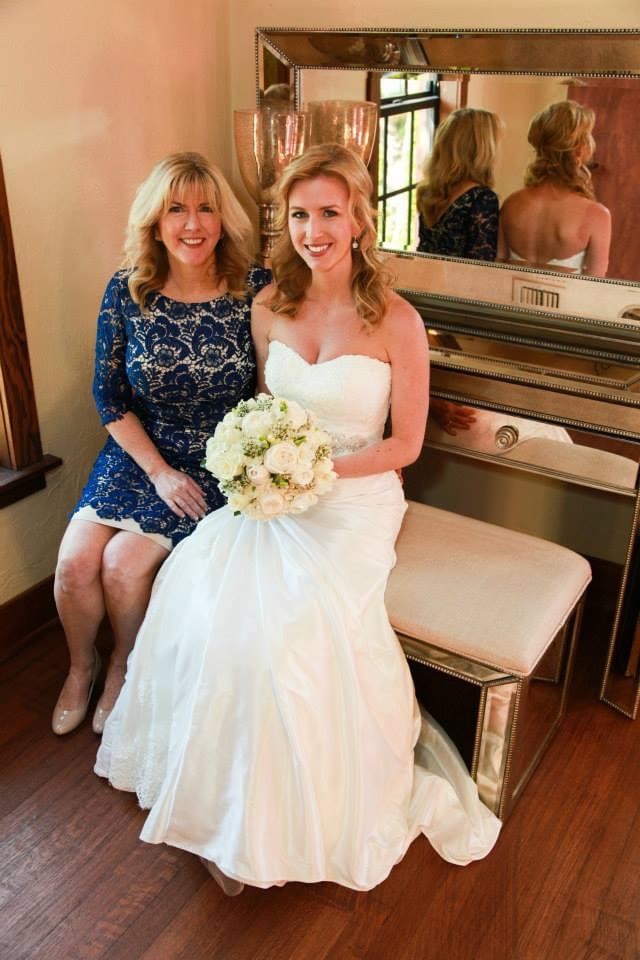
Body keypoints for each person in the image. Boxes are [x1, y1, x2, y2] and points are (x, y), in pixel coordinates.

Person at [95, 144, 501, 894]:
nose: (314, 231)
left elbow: (405, 444)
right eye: (300, 215)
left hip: (353, 501)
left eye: (330, 214)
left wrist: (312, 471)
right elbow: (260, 409)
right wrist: (260, 468)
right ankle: (218, 805)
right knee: (199, 595)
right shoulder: (266, 306)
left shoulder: (398, 321)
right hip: (271, 495)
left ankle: (276, 822)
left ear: (359, 221)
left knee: (288, 634)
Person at [52, 152, 270, 737]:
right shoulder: (127, 289)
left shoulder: (254, 289)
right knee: (75, 566)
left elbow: (274, 384)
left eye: (206, 209)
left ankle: (126, 662)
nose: (192, 224)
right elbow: (108, 395)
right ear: (155, 220)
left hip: (214, 457)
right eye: (177, 209)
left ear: (224, 219)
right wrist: (155, 471)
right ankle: (80, 667)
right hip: (139, 452)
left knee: (123, 568)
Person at [498, 100, 611, 276]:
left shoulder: (510, 204)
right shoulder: (597, 216)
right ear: (580, 149)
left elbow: (497, 269)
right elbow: (595, 291)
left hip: (508, 302)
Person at [416, 108, 500, 261]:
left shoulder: (429, 191)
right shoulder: (482, 199)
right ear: (483, 148)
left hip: (424, 279)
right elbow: (481, 267)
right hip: (456, 284)